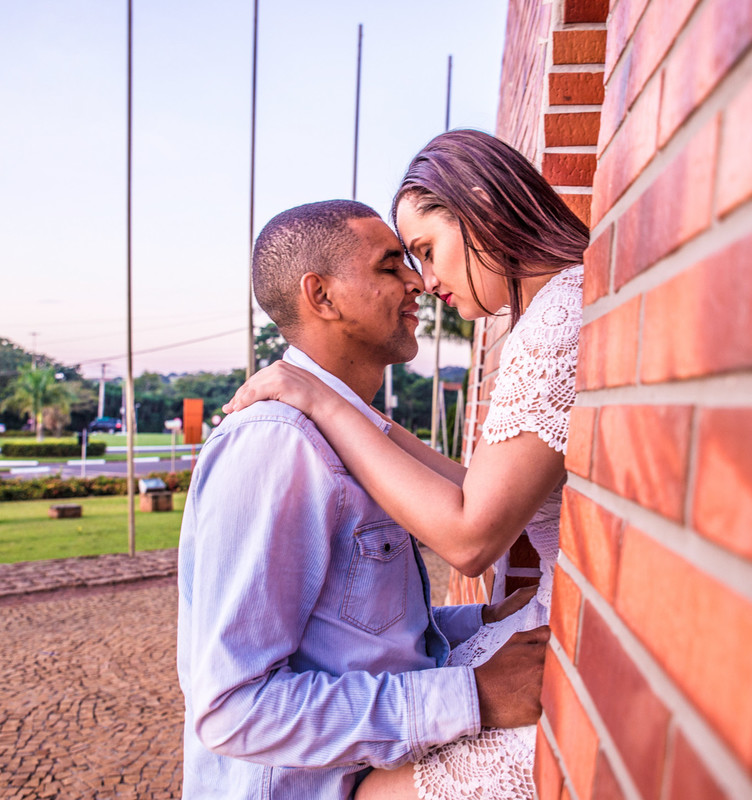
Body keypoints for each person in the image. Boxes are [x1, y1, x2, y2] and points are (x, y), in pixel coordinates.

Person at [223, 129, 588, 799]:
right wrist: (351, 411)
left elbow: (472, 534)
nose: (423, 280)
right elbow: (479, 491)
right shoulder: (273, 444)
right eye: (400, 262)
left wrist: (324, 402)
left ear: (478, 204)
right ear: (322, 296)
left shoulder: (558, 313)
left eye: (421, 251)